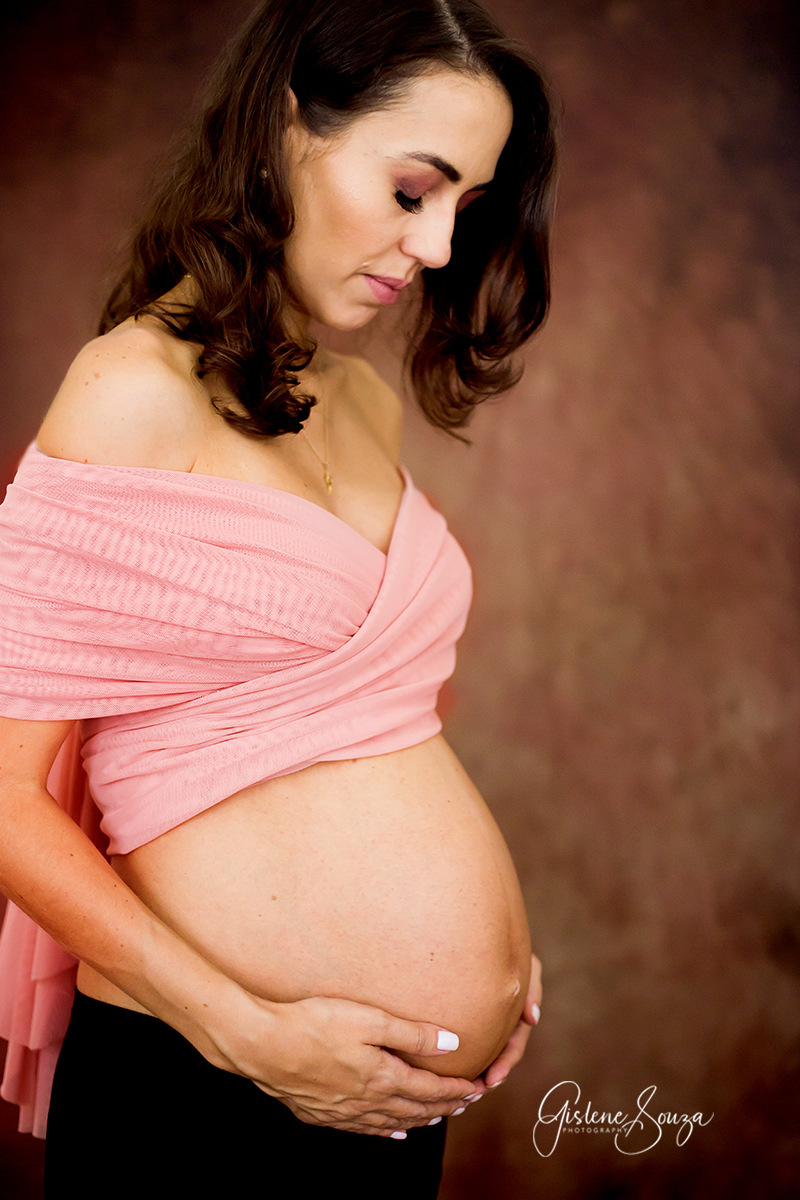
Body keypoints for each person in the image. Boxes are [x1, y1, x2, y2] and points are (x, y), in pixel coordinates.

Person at [0, 0, 555, 1194]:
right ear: (283, 127)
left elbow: (348, 739)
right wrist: (240, 1029)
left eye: (469, 206)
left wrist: (483, 964)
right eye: (414, 190)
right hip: (205, 1082)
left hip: (384, 1097)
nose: (440, 248)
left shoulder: (360, 404)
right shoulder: (129, 388)